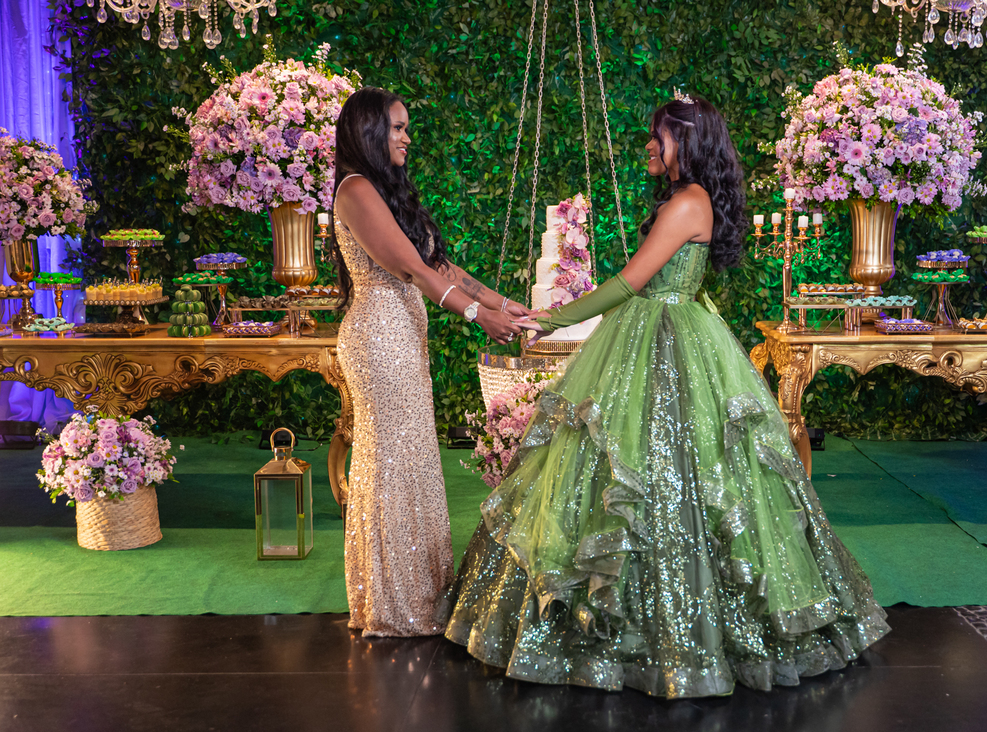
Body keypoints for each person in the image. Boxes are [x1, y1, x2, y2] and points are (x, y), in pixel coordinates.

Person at [445, 93, 889, 697]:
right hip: (661, 329)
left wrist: (552, 319)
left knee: (661, 467)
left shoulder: (687, 202)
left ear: (689, 141)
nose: (651, 146)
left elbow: (631, 282)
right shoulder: (688, 199)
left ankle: (667, 634)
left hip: (665, 332)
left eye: (661, 136)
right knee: (651, 469)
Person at [331, 87, 529, 637]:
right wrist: (477, 316)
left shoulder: (385, 190)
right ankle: (392, 604)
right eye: (397, 128)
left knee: (414, 459)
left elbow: (439, 265)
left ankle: (417, 596)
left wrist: (503, 303)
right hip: (377, 338)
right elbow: (411, 270)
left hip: (402, 334)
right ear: (370, 131)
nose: (407, 138)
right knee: (392, 462)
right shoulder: (354, 189)